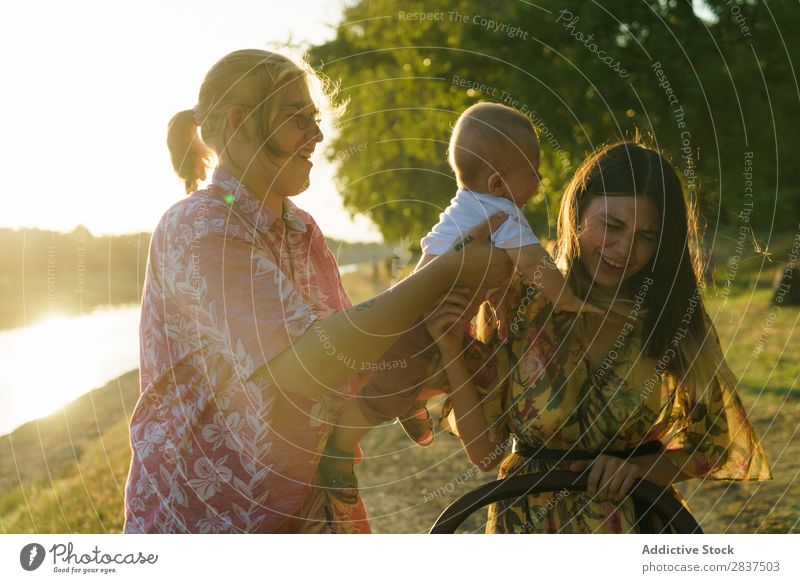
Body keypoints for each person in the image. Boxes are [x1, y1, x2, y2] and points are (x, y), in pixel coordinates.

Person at [122, 48, 512, 534]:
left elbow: (356, 353)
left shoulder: (301, 229)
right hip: (213, 520)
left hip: (314, 511)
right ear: (242, 124)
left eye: (315, 117)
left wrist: (445, 346)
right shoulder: (200, 226)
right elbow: (308, 365)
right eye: (297, 118)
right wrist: (446, 271)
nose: (318, 134)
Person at [404, 140, 771, 532]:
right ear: (577, 210)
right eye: (612, 225)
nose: (624, 249)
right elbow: (484, 453)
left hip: (637, 525)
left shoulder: (670, 315)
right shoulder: (518, 302)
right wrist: (450, 350)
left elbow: (713, 443)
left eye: (647, 236)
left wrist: (640, 467)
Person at [327, 102, 604, 454]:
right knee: (387, 393)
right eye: (533, 173)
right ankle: (341, 443)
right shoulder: (503, 212)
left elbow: (490, 274)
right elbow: (533, 262)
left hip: (411, 310)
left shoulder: (469, 204)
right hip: (417, 323)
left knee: (434, 369)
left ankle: (402, 398)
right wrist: (567, 299)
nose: (538, 181)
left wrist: (500, 305)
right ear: (498, 183)